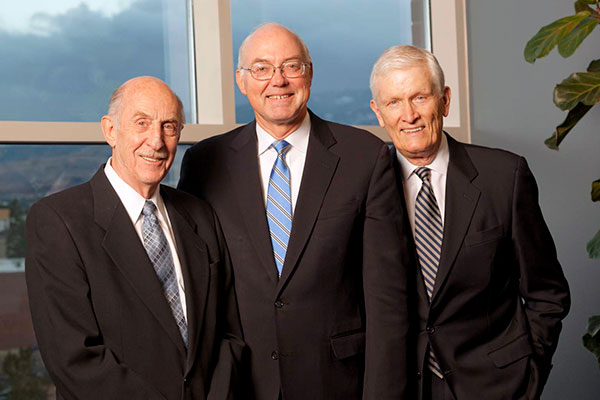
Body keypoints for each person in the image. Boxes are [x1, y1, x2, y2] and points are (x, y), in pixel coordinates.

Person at [178, 23, 412, 400]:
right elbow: (197, 291)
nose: (278, 80)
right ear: (242, 81)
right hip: (240, 383)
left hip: (338, 383)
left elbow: (389, 299)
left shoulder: (363, 157)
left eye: (291, 66)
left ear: (309, 73)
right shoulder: (205, 162)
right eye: (262, 68)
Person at [369, 45, 571, 400]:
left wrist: (528, 375)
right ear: (379, 113)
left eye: (419, 97)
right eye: (394, 102)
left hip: (496, 387)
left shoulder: (504, 177)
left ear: (445, 101)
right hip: (401, 387)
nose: (409, 115)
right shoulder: (362, 188)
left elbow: (547, 292)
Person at [26, 76, 243, 400]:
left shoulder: (199, 216)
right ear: (110, 130)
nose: (156, 141)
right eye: (141, 123)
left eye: (169, 126)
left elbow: (229, 333)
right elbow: (75, 359)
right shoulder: (59, 221)